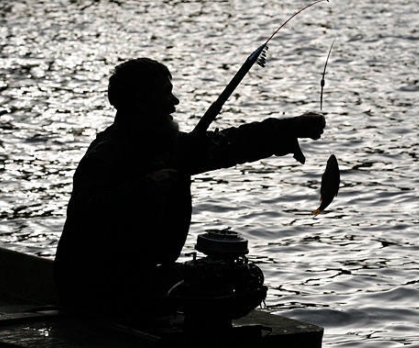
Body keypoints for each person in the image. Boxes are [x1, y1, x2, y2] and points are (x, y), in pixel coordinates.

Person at [54, 58, 325, 318]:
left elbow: (231, 144)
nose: (175, 102)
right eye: (165, 93)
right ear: (141, 100)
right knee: (213, 282)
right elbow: (87, 214)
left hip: (140, 275)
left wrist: (290, 128)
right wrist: (146, 187)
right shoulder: (106, 153)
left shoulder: (165, 147)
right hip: (94, 285)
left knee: (239, 275)